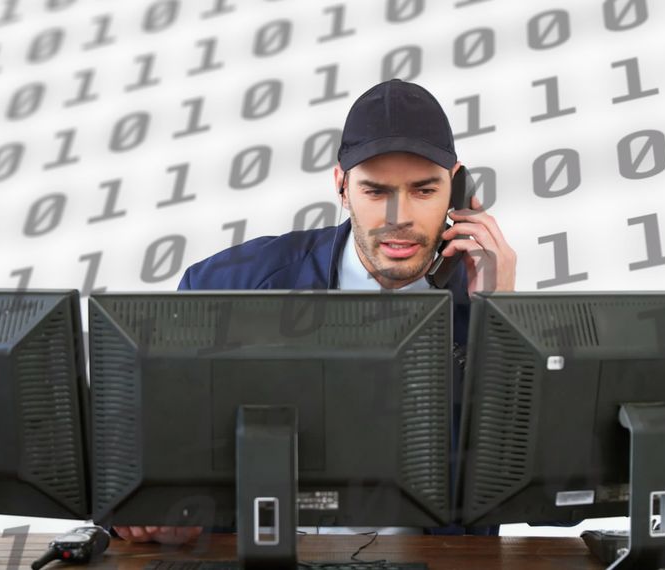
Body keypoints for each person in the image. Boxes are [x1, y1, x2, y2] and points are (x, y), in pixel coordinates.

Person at [112, 78, 517, 545]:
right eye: (374, 191)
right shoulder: (228, 285)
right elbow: (134, 445)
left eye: (424, 191)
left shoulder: (482, 305)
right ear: (341, 186)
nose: (398, 217)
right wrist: (140, 504)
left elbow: (524, 488)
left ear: (457, 189)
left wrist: (498, 318)